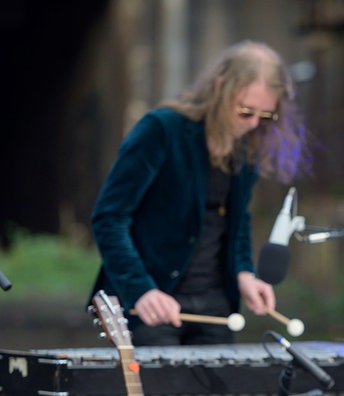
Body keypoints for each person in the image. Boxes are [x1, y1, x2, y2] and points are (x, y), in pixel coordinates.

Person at [89, 40, 310, 346]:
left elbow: (237, 222)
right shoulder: (161, 130)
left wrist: (244, 272)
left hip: (215, 304)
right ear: (220, 88)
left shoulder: (246, 146)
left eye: (266, 116)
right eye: (246, 111)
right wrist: (141, 289)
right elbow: (109, 218)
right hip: (152, 298)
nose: (254, 124)